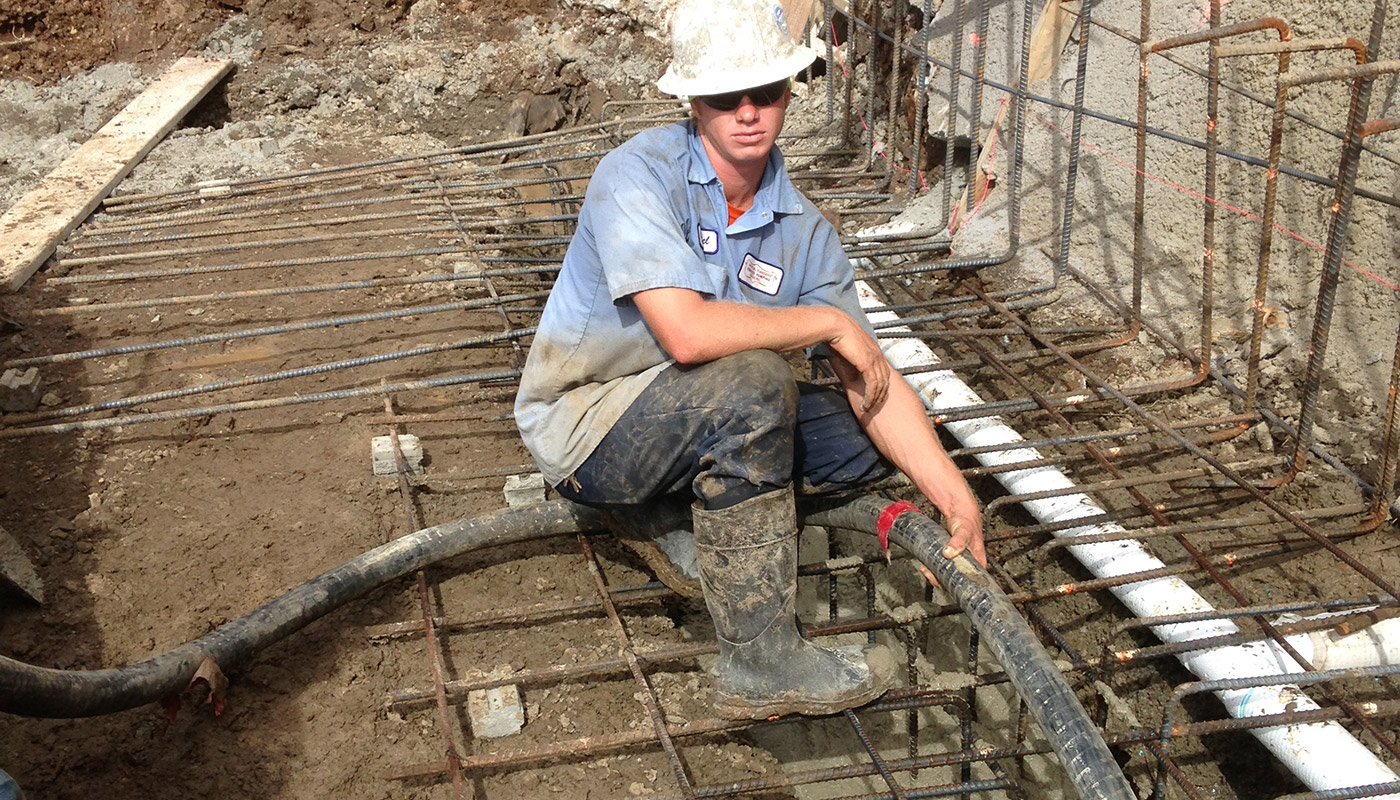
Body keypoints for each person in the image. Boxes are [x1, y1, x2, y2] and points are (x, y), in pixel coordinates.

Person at [514, 0, 984, 720]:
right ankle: (760, 662)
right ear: (691, 102)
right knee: (758, 384)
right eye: (724, 97)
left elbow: (873, 385)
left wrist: (954, 498)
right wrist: (825, 323)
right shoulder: (637, 176)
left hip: (688, 419)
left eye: (765, 92)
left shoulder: (802, 231)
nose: (747, 113)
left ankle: (672, 519)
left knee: (866, 436)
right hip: (590, 427)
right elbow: (688, 337)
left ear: (789, 92)